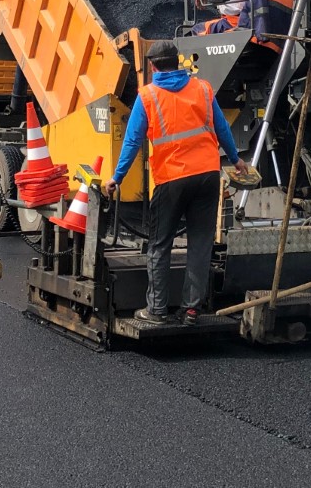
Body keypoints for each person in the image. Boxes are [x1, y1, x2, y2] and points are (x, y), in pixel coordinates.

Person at [104, 40, 248, 325]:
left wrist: (117, 177)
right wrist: (236, 159)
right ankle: (192, 310)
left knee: (160, 244)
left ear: (154, 66)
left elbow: (133, 141)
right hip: (207, 176)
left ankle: (156, 310)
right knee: (200, 243)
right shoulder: (203, 89)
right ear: (178, 61)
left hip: (172, 179)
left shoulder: (148, 96)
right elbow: (221, 128)